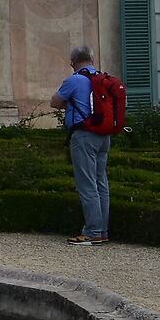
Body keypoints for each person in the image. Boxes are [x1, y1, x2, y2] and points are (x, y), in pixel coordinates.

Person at [49, 46, 110, 245]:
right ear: (92, 60)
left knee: (86, 184)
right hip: (104, 135)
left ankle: (92, 231)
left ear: (73, 62)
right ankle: (102, 230)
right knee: (101, 183)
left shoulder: (75, 80)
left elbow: (55, 102)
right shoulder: (104, 78)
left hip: (83, 135)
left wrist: (71, 103)